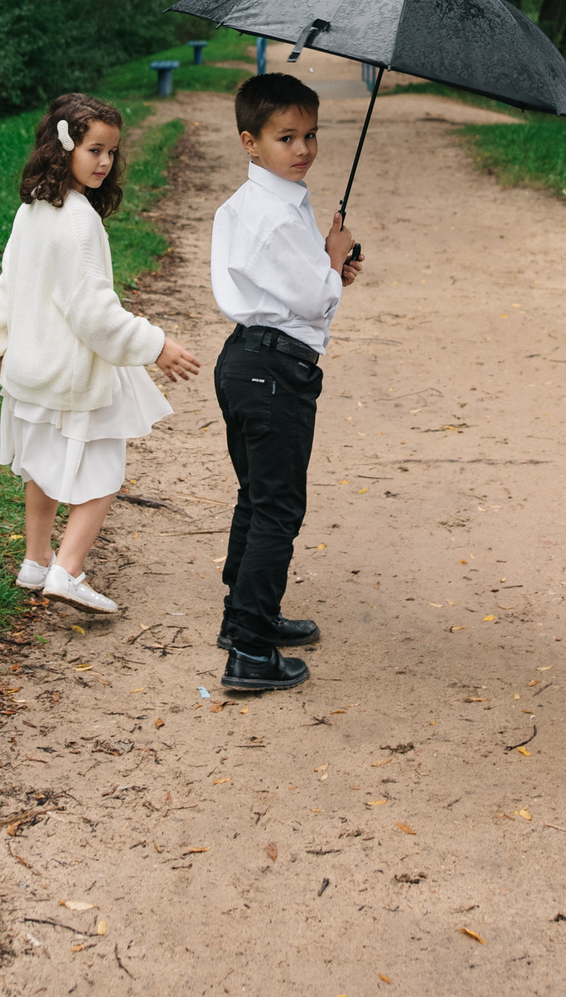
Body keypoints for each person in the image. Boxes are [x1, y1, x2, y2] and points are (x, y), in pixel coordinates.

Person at [0, 93, 200, 615]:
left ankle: (35, 559)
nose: (105, 162)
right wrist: (155, 346)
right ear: (63, 145)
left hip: (33, 369)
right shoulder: (77, 222)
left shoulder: (33, 208)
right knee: (103, 473)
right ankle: (67, 571)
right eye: (95, 149)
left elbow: (9, 282)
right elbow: (93, 314)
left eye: (112, 152)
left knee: (41, 470)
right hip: (70, 375)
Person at [209, 72, 363, 692]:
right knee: (278, 508)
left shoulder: (253, 205)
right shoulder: (274, 216)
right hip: (274, 372)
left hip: (248, 361)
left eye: (311, 136)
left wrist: (328, 269)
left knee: (257, 496)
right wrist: (332, 259)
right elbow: (310, 295)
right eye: (285, 137)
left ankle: (246, 616)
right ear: (250, 142)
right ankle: (249, 652)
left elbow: (296, 293)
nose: (302, 150)